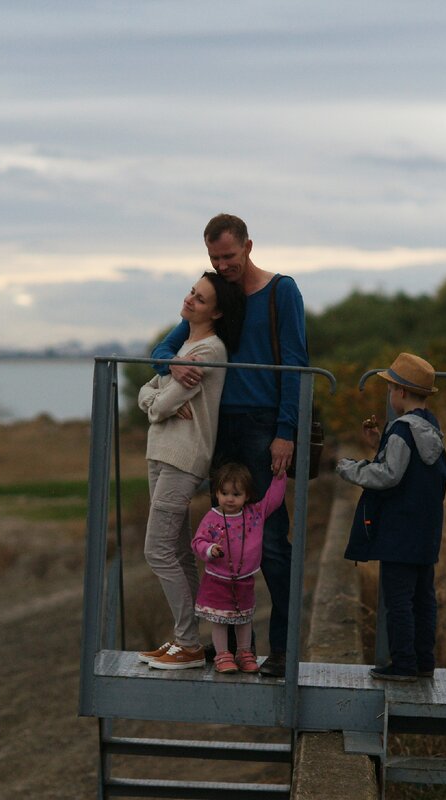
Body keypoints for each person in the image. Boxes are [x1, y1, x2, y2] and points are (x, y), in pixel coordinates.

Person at [151, 213, 307, 678]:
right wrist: (172, 367)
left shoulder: (283, 292)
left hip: (264, 428)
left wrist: (286, 432)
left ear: (248, 246)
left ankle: (282, 650)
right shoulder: (221, 295)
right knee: (226, 539)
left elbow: (297, 363)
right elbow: (163, 349)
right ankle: (239, 651)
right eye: (215, 258)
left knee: (273, 543)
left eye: (229, 256)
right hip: (220, 428)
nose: (223, 265)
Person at [136, 271, 246, 670]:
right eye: (191, 293)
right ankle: (187, 640)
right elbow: (146, 391)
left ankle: (188, 643)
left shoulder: (209, 351)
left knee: (157, 550)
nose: (189, 300)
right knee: (178, 550)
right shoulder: (184, 345)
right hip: (161, 451)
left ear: (215, 311)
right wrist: (157, 399)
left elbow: (160, 405)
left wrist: (157, 402)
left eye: (199, 299)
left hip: (184, 457)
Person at [335, 353, 446, 681]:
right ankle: (424, 662)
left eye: (390, 389)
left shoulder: (401, 430)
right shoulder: (431, 427)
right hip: (426, 530)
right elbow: (412, 467)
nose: (389, 395)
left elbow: (388, 475)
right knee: (424, 597)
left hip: (399, 531)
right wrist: (379, 443)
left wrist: (351, 468)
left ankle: (403, 664)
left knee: (397, 600)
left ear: (400, 391)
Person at [192, 462, 288, 674]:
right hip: (217, 579)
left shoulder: (254, 513)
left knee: (244, 619)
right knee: (220, 620)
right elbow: (197, 541)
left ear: (247, 495)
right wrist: (209, 549)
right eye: (224, 492)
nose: (229, 498)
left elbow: (274, 499)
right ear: (216, 493)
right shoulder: (212, 517)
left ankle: (245, 653)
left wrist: (280, 476)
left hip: (244, 580)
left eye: (236, 493)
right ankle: (222, 654)